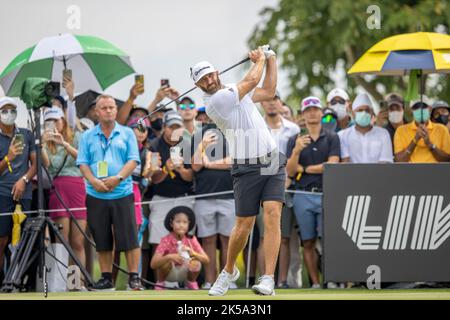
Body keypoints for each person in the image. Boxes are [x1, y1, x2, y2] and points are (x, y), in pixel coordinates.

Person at [192, 46, 285, 296]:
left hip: (272, 160)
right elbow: (253, 78)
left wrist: (272, 59)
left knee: (273, 214)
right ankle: (229, 271)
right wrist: (261, 58)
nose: (209, 80)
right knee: (243, 224)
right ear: (199, 86)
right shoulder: (216, 102)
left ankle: (268, 278)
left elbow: (268, 91)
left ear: (217, 72)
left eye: (210, 75)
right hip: (245, 166)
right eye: (203, 80)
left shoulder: (234, 91)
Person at [76, 94, 143, 291]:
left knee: (129, 237)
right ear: (97, 112)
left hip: (122, 192)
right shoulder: (87, 136)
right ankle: (106, 278)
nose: (108, 111)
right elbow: (82, 163)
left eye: (112, 107)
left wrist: (118, 178)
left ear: (116, 109)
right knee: (102, 238)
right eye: (104, 108)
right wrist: (93, 180)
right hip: (96, 194)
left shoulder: (127, 133)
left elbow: (133, 160)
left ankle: (134, 277)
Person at [286, 96, 340, 288]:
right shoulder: (295, 139)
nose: (312, 113)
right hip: (302, 195)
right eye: (307, 110)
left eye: (315, 109)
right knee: (307, 242)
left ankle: (331, 279)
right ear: (303, 114)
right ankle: (316, 283)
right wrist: (296, 152)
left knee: (328, 241)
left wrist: (307, 169)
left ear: (321, 112)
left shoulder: (332, 137)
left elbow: (332, 165)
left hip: (326, 193)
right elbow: (290, 171)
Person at [259, 92, 299, 288]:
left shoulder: (293, 129)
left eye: (274, 99)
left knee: (283, 237)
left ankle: (281, 280)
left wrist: (288, 178)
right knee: (262, 237)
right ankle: (262, 279)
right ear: (262, 103)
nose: (271, 103)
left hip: (285, 186)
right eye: (267, 100)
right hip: (260, 186)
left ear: (280, 102)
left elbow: (296, 158)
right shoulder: (256, 127)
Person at [41, 107, 87, 271]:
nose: (54, 124)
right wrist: (42, 144)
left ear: (64, 120)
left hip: (76, 187)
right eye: (49, 121)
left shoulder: (76, 136)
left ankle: (78, 282)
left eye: (57, 120)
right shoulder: (46, 143)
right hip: (58, 189)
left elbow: (83, 158)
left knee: (78, 241)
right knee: (62, 241)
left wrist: (64, 144)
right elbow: (47, 165)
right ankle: (64, 283)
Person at [190, 119, 235, 289]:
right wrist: (202, 145)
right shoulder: (197, 136)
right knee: (208, 240)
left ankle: (227, 281)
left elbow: (234, 161)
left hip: (229, 196)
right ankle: (210, 281)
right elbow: (195, 166)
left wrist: (209, 163)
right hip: (204, 196)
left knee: (228, 240)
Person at [0, 97, 37, 281]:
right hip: (2, 193)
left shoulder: (26, 134)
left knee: (26, 239)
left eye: (12, 110)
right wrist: (8, 158)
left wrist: (24, 180)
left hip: (25, 192)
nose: (9, 114)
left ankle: (21, 281)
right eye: (4, 110)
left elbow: (35, 164)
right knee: (2, 240)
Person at [148, 111, 194, 248]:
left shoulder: (187, 145)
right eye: (171, 127)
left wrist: (181, 170)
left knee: (186, 241)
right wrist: (166, 169)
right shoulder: (154, 146)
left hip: (184, 198)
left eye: (177, 127)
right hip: (161, 197)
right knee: (158, 240)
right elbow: (154, 178)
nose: (175, 131)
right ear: (164, 127)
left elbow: (192, 177)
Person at [150, 206, 209, 290]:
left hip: (185, 271)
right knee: (165, 262)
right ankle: (160, 283)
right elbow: (153, 264)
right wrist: (169, 257)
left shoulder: (191, 239)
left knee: (196, 263)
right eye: (178, 222)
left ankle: (191, 282)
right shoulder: (166, 240)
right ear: (171, 224)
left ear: (189, 224)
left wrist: (193, 253)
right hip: (169, 273)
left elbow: (206, 260)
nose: (181, 225)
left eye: (185, 222)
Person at [339, 93, 393, 163]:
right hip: (351, 174)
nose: (364, 113)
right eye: (360, 110)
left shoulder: (383, 134)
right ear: (353, 113)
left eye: (367, 110)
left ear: (372, 113)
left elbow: (385, 163)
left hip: (378, 173)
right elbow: (344, 165)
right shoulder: (342, 135)